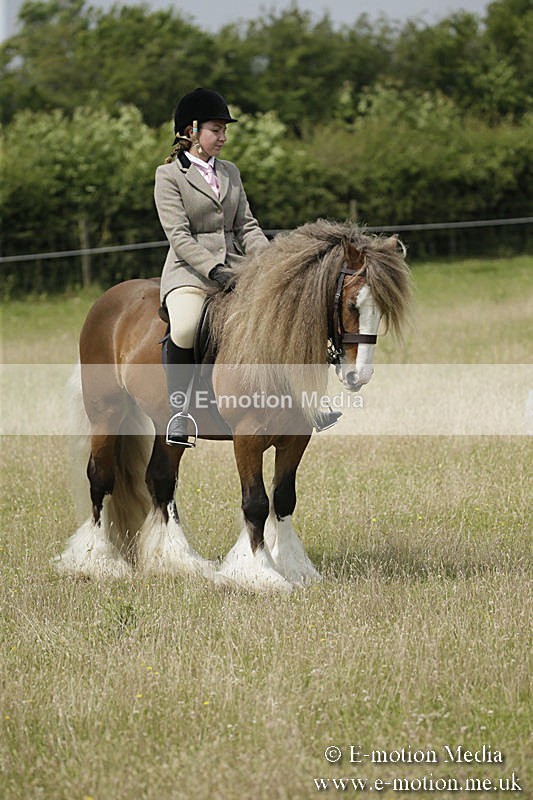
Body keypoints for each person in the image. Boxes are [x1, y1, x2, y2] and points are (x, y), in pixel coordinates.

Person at [154, 87, 269, 446]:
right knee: (186, 327)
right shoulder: (168, 176)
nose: (223, 136)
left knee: (280, 314)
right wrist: (213, 270)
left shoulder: (231, 172)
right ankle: (178, 413)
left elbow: (246, 226)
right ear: (191, 131)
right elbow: (179, 236)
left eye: (224, 130)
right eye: (216, 129)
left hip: (238, 268)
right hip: (190, 273)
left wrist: (269, 262)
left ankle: (299, 403)